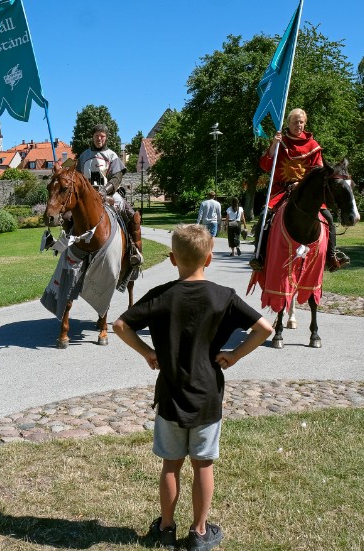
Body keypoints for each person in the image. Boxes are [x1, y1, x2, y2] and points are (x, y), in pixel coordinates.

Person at [113, 224, 272, 550]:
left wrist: (147, 353)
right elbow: (265, 328)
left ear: (172, 259)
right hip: (207, 397)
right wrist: (236, 355)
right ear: (210, 259)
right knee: (203, 465)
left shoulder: (161, 296)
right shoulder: (222, 296)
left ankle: (166, 529)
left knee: (171, 464)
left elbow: (119, 325)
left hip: (171, 394)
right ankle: (199, 533)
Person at [250, 108, 348, 272]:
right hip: (281, 189)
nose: (299, 125)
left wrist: (302, 184)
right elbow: (266, 166)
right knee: (264, 215)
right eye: (295, 122)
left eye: (301, 122)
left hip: (306, 192)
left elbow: (319, 171)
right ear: (288, 123)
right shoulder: (281, 141)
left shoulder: (313, 145)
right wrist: (274, 144)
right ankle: (259, 255)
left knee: (329, 218)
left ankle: (332, 256)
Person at [77, 123, 143, 266]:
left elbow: (116, 178)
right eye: (96, 136)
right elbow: (78, 177)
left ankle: (134, 249)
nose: (99, 139)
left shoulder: (112, 156)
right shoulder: (83, 156)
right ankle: (67, 246)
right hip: (87, 196)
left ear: (106, 138)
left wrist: (104, 190)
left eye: (102, 136)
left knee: (131, 214)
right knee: (69, 215)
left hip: (109, 195)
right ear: (92, 137)